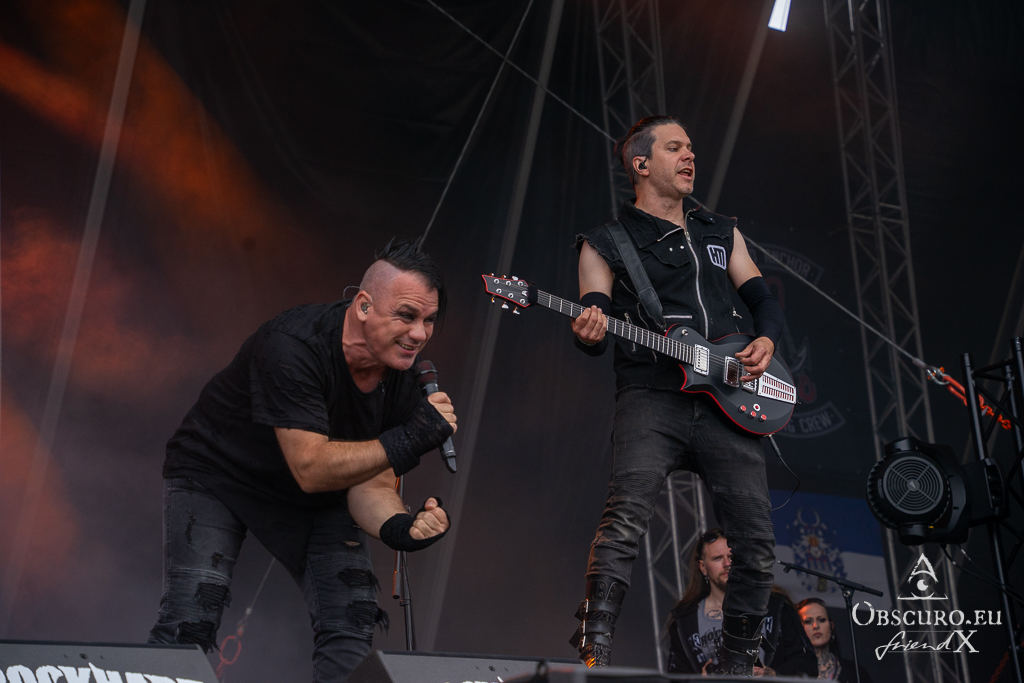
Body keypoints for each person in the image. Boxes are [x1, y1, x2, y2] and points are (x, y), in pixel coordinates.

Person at [148, 240, 457, 683]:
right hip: (219, 473)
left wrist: (401, 527)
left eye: (428, 320)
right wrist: (408, 439)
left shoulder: (405, 380)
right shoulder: (292, 345)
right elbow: (310, 467)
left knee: (352, 620)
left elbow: (371, 482)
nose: (420, 334)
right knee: (190, 619)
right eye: (406, 316)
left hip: (318, 492)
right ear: (364, 306)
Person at [570, 115, 787, 675]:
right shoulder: (605, 242)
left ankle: (737, 664)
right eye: (675, 148)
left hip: (726, 397)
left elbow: (762, 298)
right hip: (651, 394)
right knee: (625, 518)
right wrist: (589, 330)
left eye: (691, 147)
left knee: (755, 540)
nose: (690, 155)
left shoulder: (720, 230)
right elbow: (595, 317)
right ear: (641, 164)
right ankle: (596, 651)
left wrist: (765, 339)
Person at [666, 528, 816, 677]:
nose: (727, 563)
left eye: (732, 557)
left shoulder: (775, 606)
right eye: (717, 558)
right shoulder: (685, 621)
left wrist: (772, 674)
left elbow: (808, 664)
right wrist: (699, 680)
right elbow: (675, 677)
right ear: (703, 567)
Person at [797, 598, 874, 682]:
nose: (816, 626)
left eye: (822, 620)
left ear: (831, 627)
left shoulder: (854, 672)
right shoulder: (791, 671)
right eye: (808, 621)